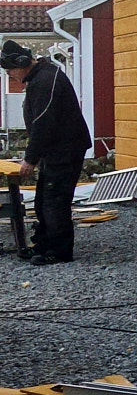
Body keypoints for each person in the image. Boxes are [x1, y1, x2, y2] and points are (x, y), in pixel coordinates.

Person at [1, 39, 92, 264]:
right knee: (44, 199)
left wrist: (30, 159)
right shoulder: (41, 78)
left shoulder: (45, 81)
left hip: (64, 149)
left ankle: (59, 251)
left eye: (10, 70)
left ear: (21, 63)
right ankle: (43, 245)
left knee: (55, 201)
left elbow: (43, 122)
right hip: (55, 150)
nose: (11, 75)